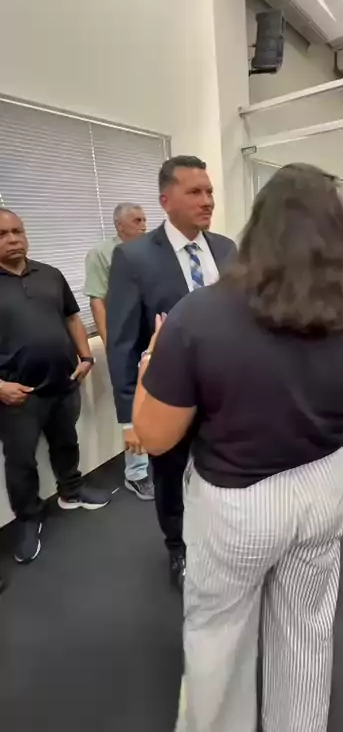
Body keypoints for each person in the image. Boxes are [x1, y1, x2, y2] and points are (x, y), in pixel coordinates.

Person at [132, 163, 343, 732]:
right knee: (306, 628)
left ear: (258, 227)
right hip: (325, 488)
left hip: (237, 503)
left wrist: (152, 359)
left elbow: (154, 436)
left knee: (218, 634)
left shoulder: (196, 316)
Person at [106, 155, 236, 589]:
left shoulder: (226, 249)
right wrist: (129, 417)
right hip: (169, 395)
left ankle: (220, 538)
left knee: (224, 471)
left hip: (227, 394)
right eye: (195, 192)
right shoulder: (134, 257)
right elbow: (122, 342)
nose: (207, 201)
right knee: (170, 475)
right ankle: (178, 547)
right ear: (166, 200)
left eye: (209, 191)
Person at [0, 208, 111, 564]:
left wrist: (86, 357)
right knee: (21, 462)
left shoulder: (50, 274)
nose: (13, 239)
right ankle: (28, 519)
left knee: (66, 442)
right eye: (3, 234)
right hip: (17, 395)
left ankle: (71, 491)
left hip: (64, 382)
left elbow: (72, 317)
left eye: (17, 231)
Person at [84, 203, 153, 501]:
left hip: (154, 337)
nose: (143, 225)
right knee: (131, 407)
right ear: (119, 225)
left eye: (144, 219)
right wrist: (112, 344)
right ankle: (136, 474)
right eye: (136, 220)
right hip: (126, 341)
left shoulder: (152, 251)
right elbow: (97, 300)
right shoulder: (102, 254)